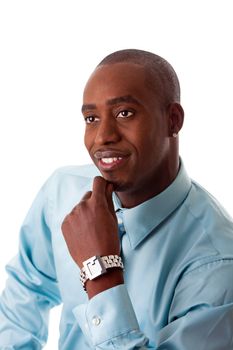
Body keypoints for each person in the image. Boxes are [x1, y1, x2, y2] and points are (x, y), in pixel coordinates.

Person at [0, 49, 233, 349]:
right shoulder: (61, 193)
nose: (102, 136)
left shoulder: (217, 263)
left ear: (172, 120)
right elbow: (26, 289)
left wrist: (100, 270)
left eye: (125, 113)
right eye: (92, 118)